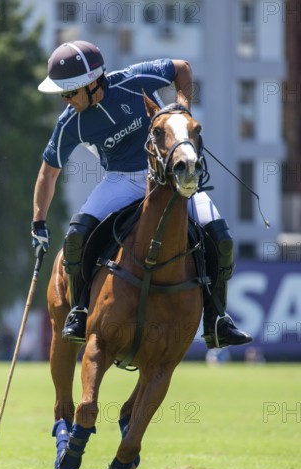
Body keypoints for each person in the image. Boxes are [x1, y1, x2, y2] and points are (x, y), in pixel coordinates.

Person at [31, 40, 252, 350]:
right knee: (76, 237)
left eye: (70, 92)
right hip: (122, 180)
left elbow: (181, 69)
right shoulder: (70, 123)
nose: (67, 100)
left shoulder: (134, 80)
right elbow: (48, 172)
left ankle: (216, 319)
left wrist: (182, 114)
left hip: (169, 177)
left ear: (94, 83)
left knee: (221, 237)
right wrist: (38, 222)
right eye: (63, 94)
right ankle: (80, 310)